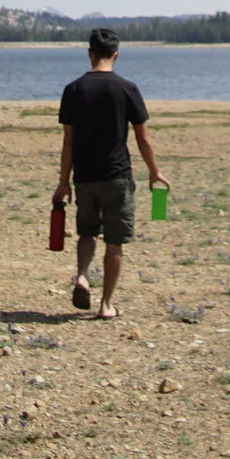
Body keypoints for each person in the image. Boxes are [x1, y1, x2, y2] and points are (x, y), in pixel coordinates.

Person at [54, 27, 166, 321]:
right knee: (114, 242)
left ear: (89, 53)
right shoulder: (127, 88)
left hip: (85, 176)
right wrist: (154, 172)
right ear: (116, 55)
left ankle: (81, 275)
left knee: (87, 232)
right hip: (117, 176)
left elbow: (68, 141)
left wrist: (63, 182)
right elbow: (143, 137)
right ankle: (106, 305)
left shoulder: (73, 89)